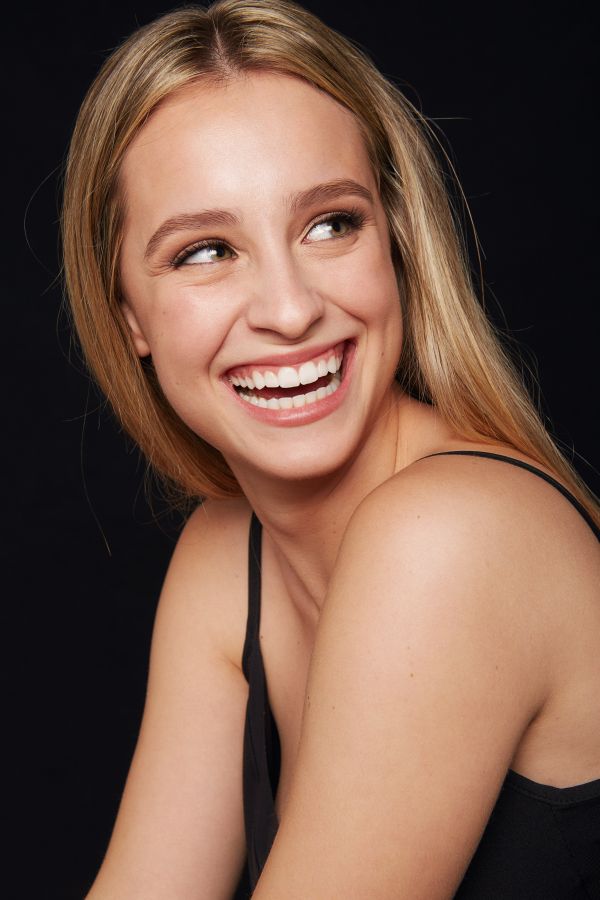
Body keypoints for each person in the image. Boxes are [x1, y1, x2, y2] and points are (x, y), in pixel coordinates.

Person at [62, 1, 600, 896]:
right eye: (205, 251)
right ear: (131, 320)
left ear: (396, 241)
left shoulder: (453, 536)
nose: (289, 309)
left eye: (329, 224)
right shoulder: (225, 556)